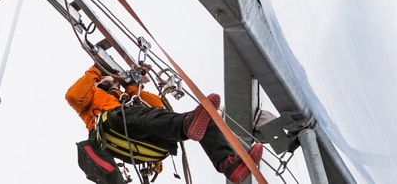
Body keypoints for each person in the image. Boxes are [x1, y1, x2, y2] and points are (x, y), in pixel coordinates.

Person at [65, 65, 263, 184]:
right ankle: (184, 125)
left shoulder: (128, 99)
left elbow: (157, 106)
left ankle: (227, 163)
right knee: (128, 115)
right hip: (112, 129)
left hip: (150, 142)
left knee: (206, 116)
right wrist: (96, 72)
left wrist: (133, 87)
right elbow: (73, 95)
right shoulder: (91, 99)